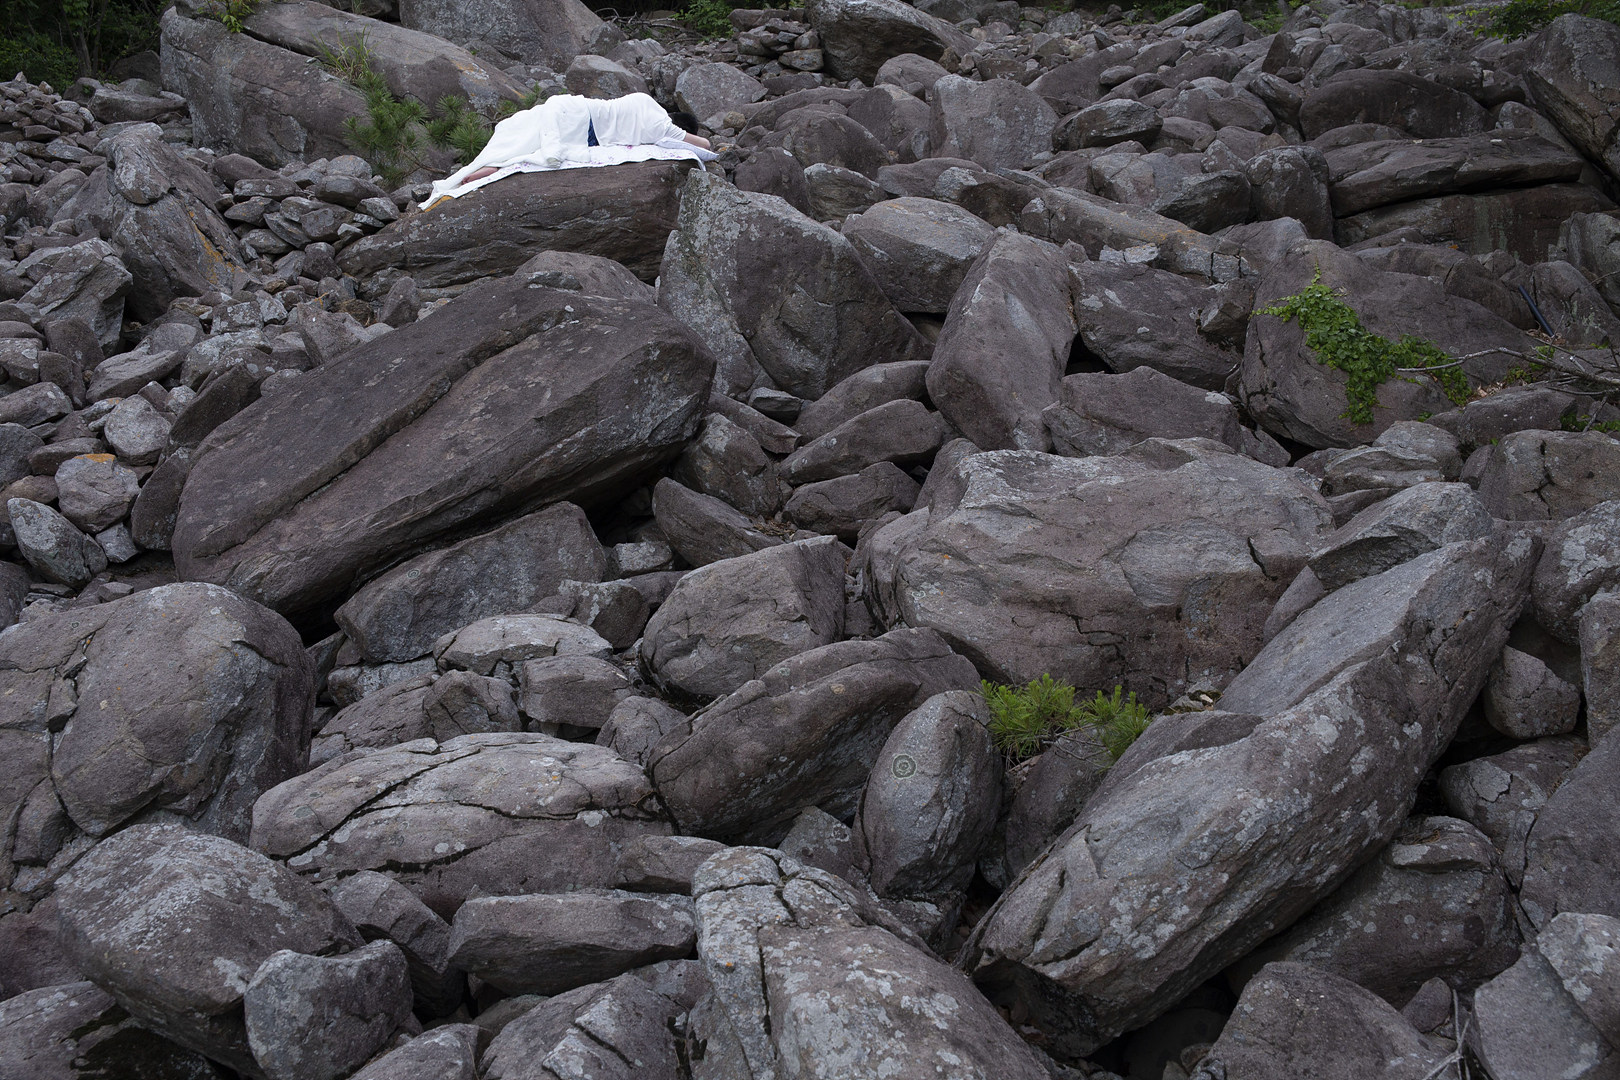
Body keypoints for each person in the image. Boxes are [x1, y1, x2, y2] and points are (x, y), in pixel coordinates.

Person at [421, 92, 715, 210]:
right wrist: (698, 137)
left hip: (571, 106)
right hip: (579, 124)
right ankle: (487, 169)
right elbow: (704, 147)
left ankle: (483, 168)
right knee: (530, 149)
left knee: (519, 136)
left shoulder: (643, 100)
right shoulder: (661, 125)